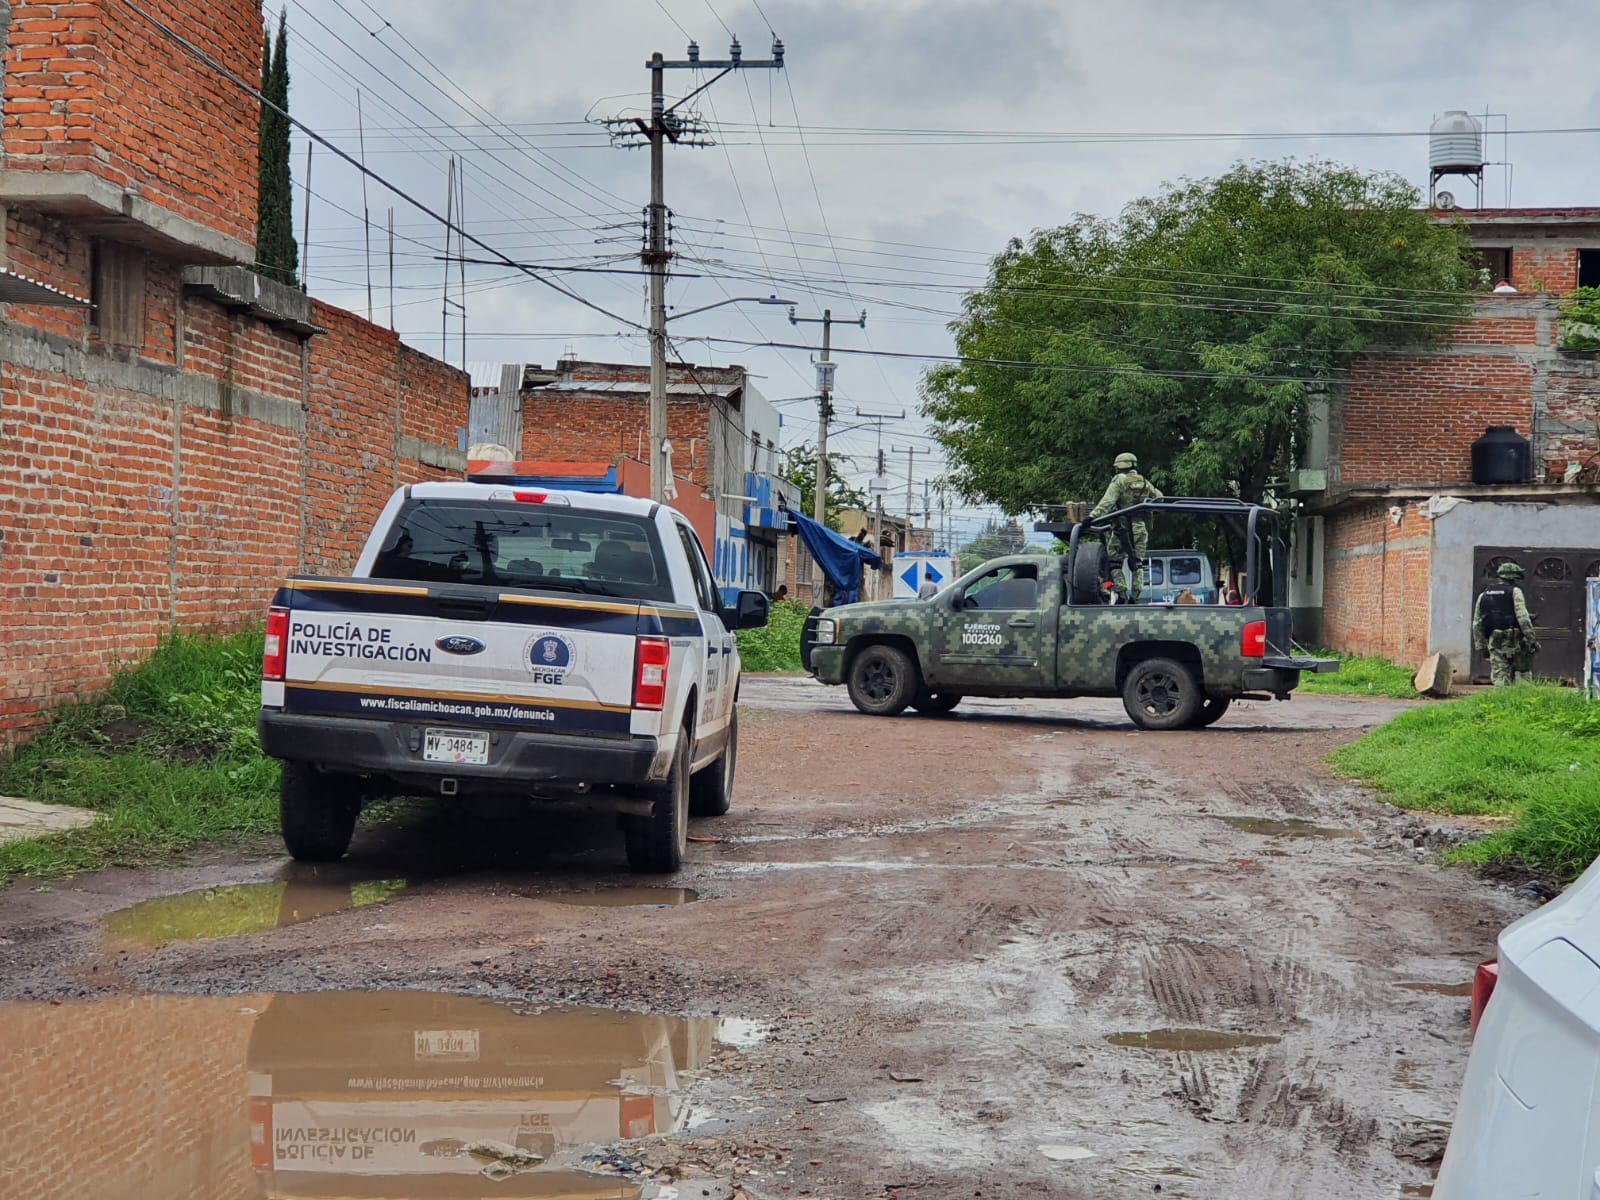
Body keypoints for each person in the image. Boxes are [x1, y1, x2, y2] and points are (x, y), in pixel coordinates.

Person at [1090, 451, 1162, 602]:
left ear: (1119, 467)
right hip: (1140, 527)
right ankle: (1135, 597)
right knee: (1138, 562)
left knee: (1114, 561)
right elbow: (1160, 499)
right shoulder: (1144, 482)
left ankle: (1121, 593)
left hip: (1122, 528)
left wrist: (1091, 517)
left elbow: (1107, 502)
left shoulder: (1120, 480)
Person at [1474, 561, 1540, 686]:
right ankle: (1522, 703)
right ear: (1515, 578)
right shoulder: (1515, 592)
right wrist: (1532, 640)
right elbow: (1523, 618)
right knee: (1523, 677)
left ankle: (1501, 703)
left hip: (1495, 640)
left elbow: (1477, 623)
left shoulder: (1484, 594)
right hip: (1516, 641)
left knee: (1500, 679)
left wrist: (1481, 647)